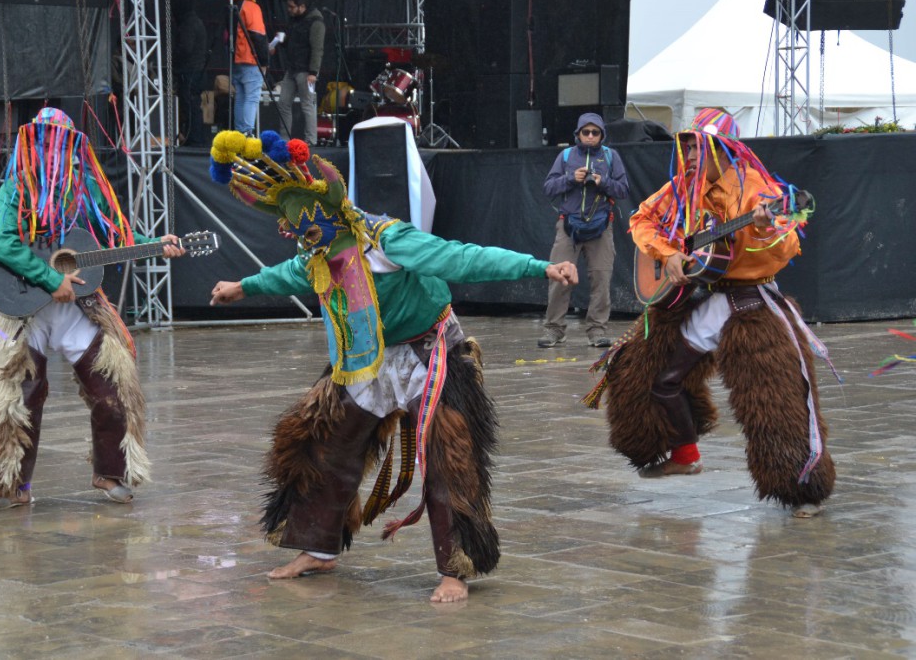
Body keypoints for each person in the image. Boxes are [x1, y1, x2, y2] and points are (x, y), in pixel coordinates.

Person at [207, 130, 578, 602]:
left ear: (328, 215)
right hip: (367, 356)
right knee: (325, 444)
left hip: (431, 351)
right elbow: (292, 273)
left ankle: (454, 568)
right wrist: (244, 286)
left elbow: (462, 258)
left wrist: (539, 267)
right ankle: (317, 549)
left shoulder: (386, 240)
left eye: (303, 228)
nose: (298, 238)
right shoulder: (321, 253)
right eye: (293, 229)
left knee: (449, 456)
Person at [584, 108, 836, 519]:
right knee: (653, 374)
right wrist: (668, 254)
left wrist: (760, 227)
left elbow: (786, 246)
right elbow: (642, 218)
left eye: (699, 146)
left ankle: (804, 490)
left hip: (755, 306)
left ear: (724, 149)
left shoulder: (757, 189)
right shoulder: (685, 187)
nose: (690, 153)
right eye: (685, 146)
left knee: (775, 405)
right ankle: (684, 454)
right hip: (707, 299)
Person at [0, 108, 185, 511]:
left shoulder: (85, 188)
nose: (55, 148)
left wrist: (155, 243)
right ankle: (12, 484)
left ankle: (111, 471)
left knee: (114, 389)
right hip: (25, 308)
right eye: (47, 139)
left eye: (62, 141)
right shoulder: (18, 186)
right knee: (19, 398)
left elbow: (114, 233)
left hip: (79, 307)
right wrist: (51, 280)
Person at [539, 112, 629, 349]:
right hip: (569, 225)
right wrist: (571, 178)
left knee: (601, 277)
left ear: (602, 135)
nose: (590, 136)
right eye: (585, 132)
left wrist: (603, 182)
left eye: (595, 132)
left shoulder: (611, 156)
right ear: (577, 134)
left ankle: (597, 330)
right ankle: (554, 330)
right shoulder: (566, 155)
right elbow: (548, 188)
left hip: (601, 226)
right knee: (559, 277)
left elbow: (623, 190)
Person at [271, 0, 325, 145]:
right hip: (292, 69)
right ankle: (284, 139)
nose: (289, 9)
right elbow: (292, 42)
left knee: (307, 105)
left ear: (302, 6)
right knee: (283, 103)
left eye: (291, 6)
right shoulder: (295, 20)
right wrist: (281, 40)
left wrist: (313, 72)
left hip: (306, 71)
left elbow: (317, 48)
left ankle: (310, 141)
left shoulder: (316, 22)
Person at [230, 0, 269, 135]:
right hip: (250, 59)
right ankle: (247, 132)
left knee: (240, 97)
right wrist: (264, 61)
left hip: (236, 59)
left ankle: (240, 133)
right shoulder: (251, 6)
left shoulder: (233, 5)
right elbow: (258, 36)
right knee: (251, 98)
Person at [174, 0, 209, 147]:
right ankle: (195, 138)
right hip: (195, 71)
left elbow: (186, 49)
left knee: (190, 106)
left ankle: (194, 139)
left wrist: (174, 57)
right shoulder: (196, 22)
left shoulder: (189, 24)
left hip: (190, 71)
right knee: (193, 105)